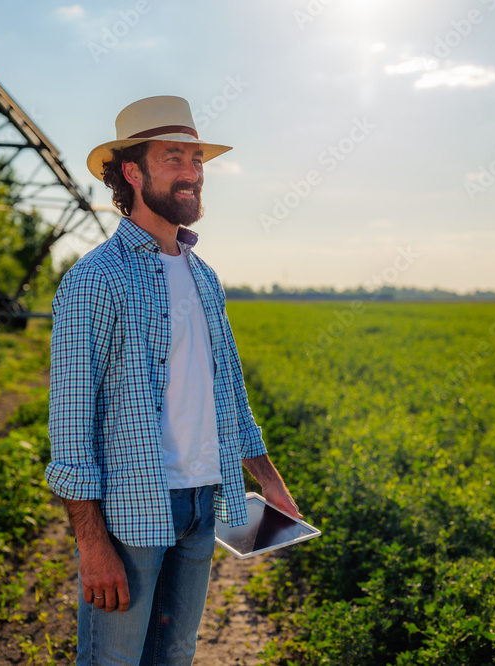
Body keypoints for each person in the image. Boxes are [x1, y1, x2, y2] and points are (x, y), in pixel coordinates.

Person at [45, 95, 299, 666]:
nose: (192, 172)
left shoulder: (204, 277)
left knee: (176, 654)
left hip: (201, 505)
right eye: (174, 158)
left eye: (197, 159)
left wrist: (269, 479)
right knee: (113, 660)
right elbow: (70, 425)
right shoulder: (95, 280)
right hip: (131, 512)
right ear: (132, 173)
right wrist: (91, 545)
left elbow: (229, 391)